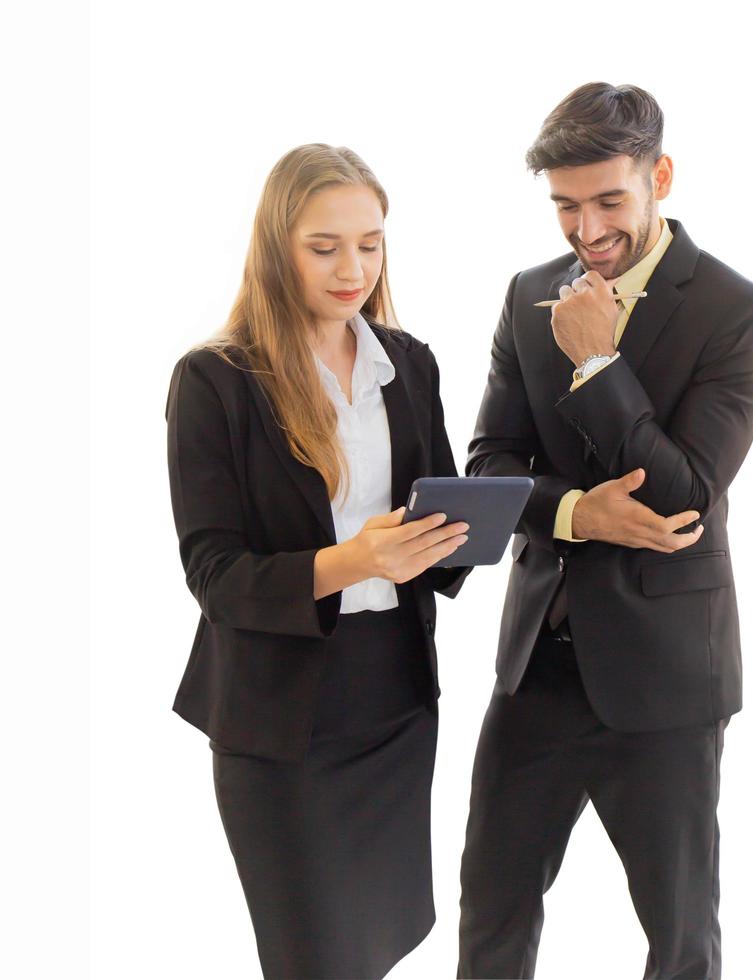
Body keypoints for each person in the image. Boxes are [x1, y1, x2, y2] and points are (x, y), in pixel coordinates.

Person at [457, 83, 753, 979]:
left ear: (660, 177)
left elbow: (682, 498)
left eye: (608, 200)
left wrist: (598, 359)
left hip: (667, 678)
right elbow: (488, 465)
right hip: (536, 673)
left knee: (680, 939)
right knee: (490, 917)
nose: (585, 229)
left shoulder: (739, 313)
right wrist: (573, 511)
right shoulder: (528, 295)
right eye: (565, 206)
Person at [165, 143, 470, 980]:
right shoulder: (215, 381)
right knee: (314, 960)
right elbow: (214, 575)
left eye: (370, 243)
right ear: (276, 246)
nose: (353, 268)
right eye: (324, 246)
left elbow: (434, 526)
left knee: (375, 949)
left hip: (394, 703)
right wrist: (351, 559)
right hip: (280, 719)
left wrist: (455, 540)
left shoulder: (408, 363)